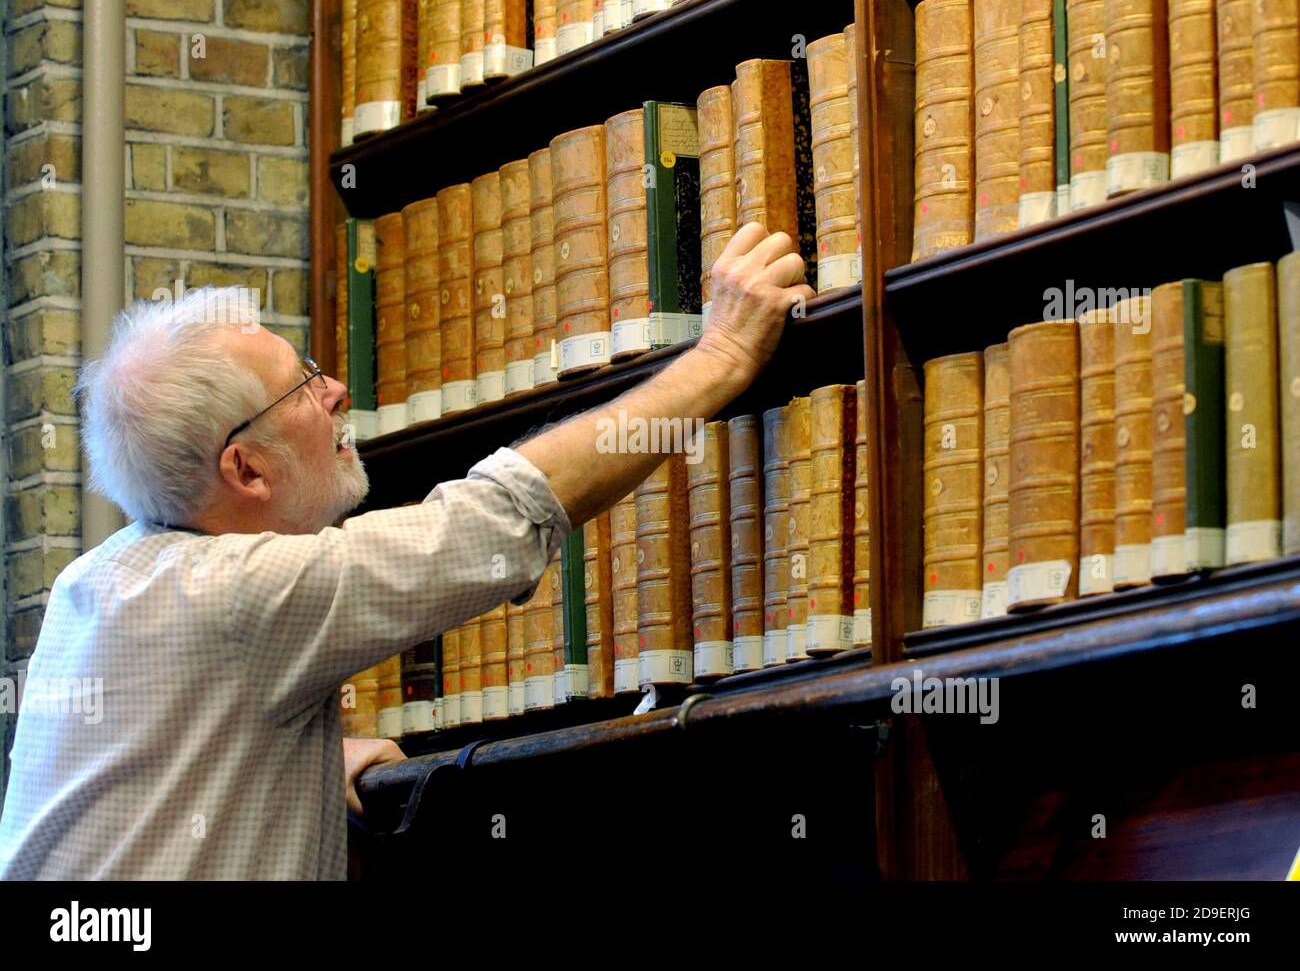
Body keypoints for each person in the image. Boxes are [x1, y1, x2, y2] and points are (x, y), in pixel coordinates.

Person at [0, 223, 813, 879]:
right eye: (303, 388)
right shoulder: (240, 592)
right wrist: (722, 358)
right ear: (244, 468)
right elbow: (495, 518)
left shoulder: (98, 583)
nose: (337, 392)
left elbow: (157, 762)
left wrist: (297, 761)